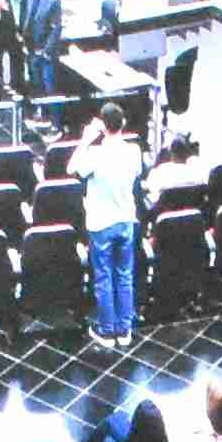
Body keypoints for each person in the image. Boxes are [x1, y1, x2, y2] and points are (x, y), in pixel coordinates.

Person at [78, 109, 147, 339]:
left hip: (101, 224)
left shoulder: (95, 154)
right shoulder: (134, 150)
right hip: (126, 221)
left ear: (103, 126)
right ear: (123, 122)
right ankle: (124, 329)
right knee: (125, 275)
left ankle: (107, 331)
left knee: (104, 276)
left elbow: (72, 168)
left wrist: (86, 140)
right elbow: (137, 173)